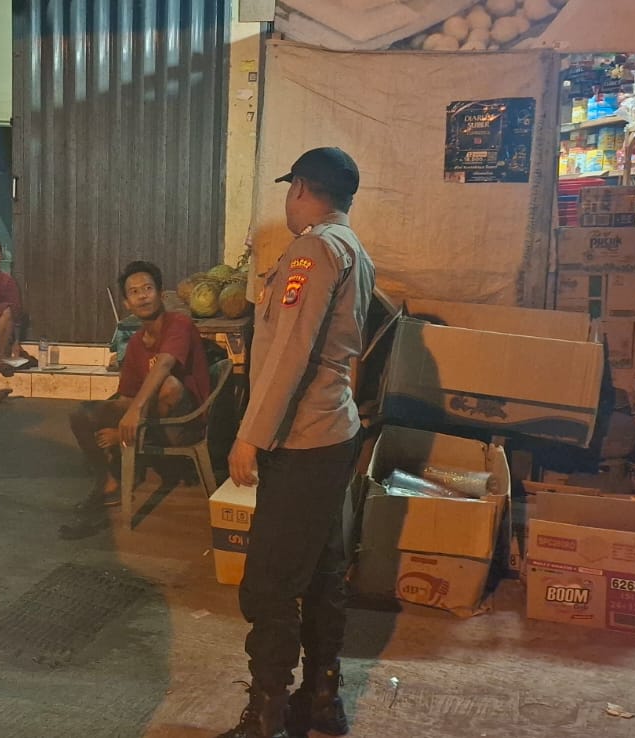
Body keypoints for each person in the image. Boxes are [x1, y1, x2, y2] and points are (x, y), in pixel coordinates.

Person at [217, 147, 374, 738]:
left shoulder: (313, 251)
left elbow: (289, 352)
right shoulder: (354, 249)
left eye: (290, 189)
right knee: (322, 570)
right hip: (334, 433)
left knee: (271, 582)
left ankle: (267, 715)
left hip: (302, 439)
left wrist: (250, 436)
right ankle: (321, 699)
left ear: (303, 188)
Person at [63, 261, 211, 522]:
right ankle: (108, 483)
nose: (142, 296)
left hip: (184, 425)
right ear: (126, 304)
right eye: (134, 292)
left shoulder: (180, 323)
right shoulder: (134, 344)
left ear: (161, 294)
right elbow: (127, 397)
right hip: (152, 419)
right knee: (80, 414)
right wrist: (118, 418)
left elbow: (164, 364)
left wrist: (132, 418)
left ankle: (131, 437)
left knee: (168, 384)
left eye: (148, 288)